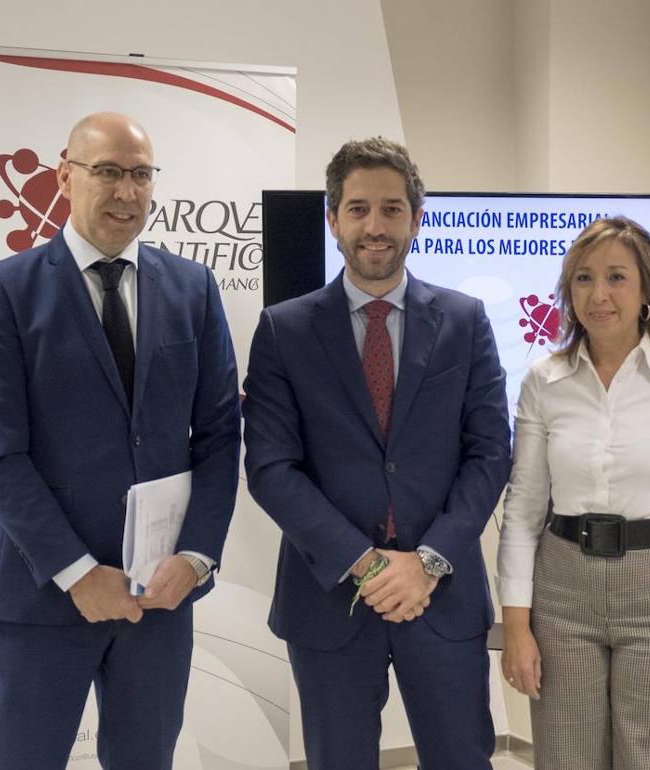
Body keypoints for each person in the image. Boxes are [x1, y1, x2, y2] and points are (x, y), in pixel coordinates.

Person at [0, 112, 241, 769]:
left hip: (159, 599)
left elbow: (221, 435)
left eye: (140, 174)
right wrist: (79, 574)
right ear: (64, 175)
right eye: (108, 171)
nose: (127, 191)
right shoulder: (4, 289)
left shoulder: (192, 288)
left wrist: (197, 557)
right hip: (43, 599)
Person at [242, 137, 511, 770]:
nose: (375, 226)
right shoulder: (285, 329)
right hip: (329, 600)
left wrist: (428, 561)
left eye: (392, 209)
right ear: (333, 219)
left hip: (440, 596)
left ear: (416, 218)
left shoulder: (465, 321)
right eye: (358, 208)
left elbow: (489, 455)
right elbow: (272, 469)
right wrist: (365, 564)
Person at [497, 216, 650, 769]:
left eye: (617, 278)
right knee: (565, 758)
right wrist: (516, 627)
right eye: (583, 279)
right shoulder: (543, 381)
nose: (598, 295)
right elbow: (523, 513)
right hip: (563, 598)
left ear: (646, 289)